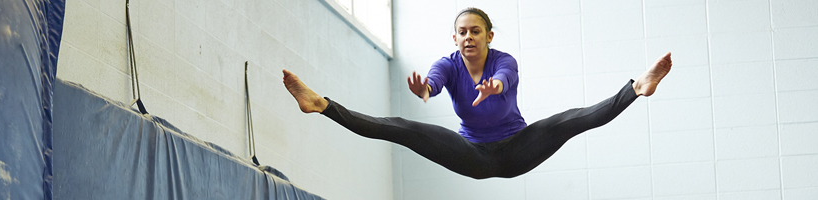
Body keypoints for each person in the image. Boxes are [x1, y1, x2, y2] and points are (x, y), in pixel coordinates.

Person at [282, 7, 672, 179]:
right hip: (473, 156)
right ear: (455, 38)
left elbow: (504, 76)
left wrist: (494, 86)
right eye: (462, 32)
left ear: (488, 36)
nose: (468, 37)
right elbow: (434, 79)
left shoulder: (505, 60)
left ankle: (636, 88)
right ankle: (321, 105)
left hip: (520, 147)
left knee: (566, 121)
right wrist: (426, 89)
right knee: (401, 127)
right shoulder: (449, 63)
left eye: (475, 31)